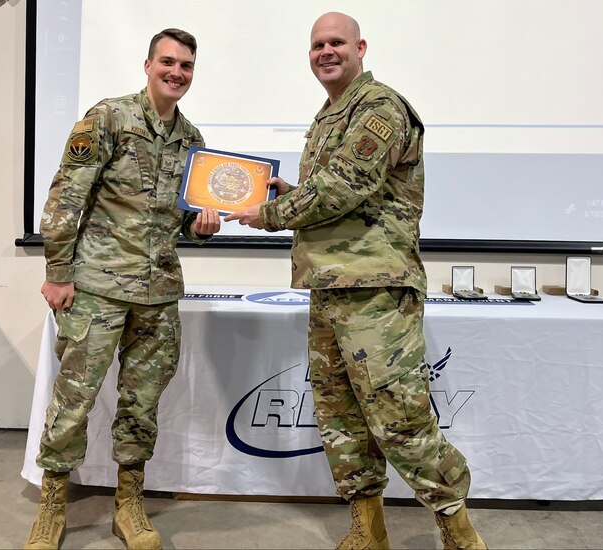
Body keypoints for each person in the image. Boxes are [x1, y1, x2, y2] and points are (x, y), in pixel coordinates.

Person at [226, 12, 486, 550]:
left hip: (375, 289)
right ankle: (368, 527)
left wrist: (268, 214)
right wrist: (287, 191)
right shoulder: (328, 116)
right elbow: (343, 197)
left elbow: (345, 185)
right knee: (339, 414)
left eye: (336, 42)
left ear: (360, 47)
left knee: (399, 416)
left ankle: (458, 530)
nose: (326, 51)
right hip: (330, 287)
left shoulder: (380, 108)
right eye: (317, 44)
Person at [25, 28, 220, 550]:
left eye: (186, 66)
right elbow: (67, 195)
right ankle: (51, 508)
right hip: (97, 289)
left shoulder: (194, 141)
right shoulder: (108, 117)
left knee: (142, 404)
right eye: (168, 62)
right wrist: (57, 271)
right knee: (74, 401)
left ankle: (129, 506)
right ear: (148, 64)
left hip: (157, 295)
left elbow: (178, 222)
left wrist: (198, 231)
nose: (177, 73)